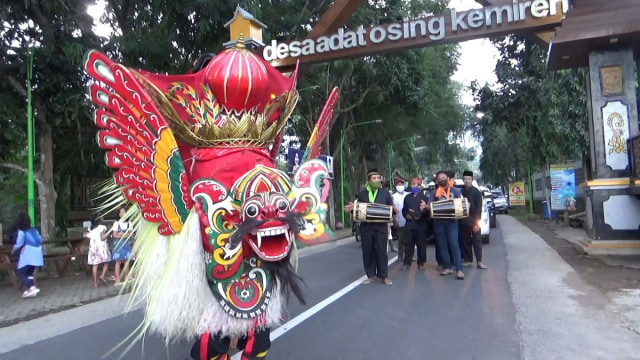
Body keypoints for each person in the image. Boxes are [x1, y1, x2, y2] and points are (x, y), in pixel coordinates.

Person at [345, 169, 395, 285]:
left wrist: (393, 213)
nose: (377, 180)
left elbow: (390, 208)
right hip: (366, 227)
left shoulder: (385, 193)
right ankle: (370, 275)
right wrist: (354, 208)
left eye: (378, 178)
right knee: (368, 251)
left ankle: (384, 276)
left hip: (381, 227)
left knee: (382, 251)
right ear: (369, 181)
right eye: (374, 178)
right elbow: (358, 211)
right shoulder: (363, 194)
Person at [422, 170, 464, 279]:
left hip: (452, 222)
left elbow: (460, 204)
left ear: (448, 178)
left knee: (454, 244)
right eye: (439, 178)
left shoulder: (456, 190)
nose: (441, 179)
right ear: (437, 181)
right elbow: (429, 206)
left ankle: (459, 269)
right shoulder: (434, 193)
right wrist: (424, 206)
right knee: (442, 245)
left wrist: (465, 205)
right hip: (439, 222)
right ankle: (447, 267)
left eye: (443, 177)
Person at [460, 171, 488, 269]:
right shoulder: (461, 192)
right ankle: (468, 260)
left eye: (469, 179)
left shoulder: (476, 192)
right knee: (465, 241)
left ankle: (479, 261)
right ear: (463, 179)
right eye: (465, 179)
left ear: (472, 180)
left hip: (474, 220)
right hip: (463, 221)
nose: (467, 181)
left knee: (477, 241)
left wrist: (477, 223)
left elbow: (479, 209)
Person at [11, 214, 44, 298]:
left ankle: (31, 287)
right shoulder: (34, 230)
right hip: (38, 255)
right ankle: (32, 290)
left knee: (20, 272)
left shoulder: (21, 231)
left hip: (29, 254)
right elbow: (40, 240)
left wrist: (13, 249)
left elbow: (19, 243)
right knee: (29, 272)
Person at [401, 178, 429, 270]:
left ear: (419, 186)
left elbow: (428, 213)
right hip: (409, 224)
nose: (412, 186)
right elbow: (404, 210)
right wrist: (406, 215)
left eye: (414, 184)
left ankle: (421, 263)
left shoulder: (425, 198)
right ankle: (407, 263)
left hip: (420, 225)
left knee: (421, 245)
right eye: (411, 184)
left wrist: (421, 214)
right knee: (408, 245)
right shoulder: (407, 197)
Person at [85, 217, 111, 287]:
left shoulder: (91, 228)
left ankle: (95, 282)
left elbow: (87, 235)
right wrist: (108, 234)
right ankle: (102, 275)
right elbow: (102, 238)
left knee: (95, 265)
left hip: (93, 247)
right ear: (100, 220)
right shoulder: (103, 227)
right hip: (101, 246)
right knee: (106, 261)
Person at [110, 207, 133, 285]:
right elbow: (115, 235)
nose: (121, 214)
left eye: (123, 212)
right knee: (118, 262)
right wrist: (125, 235)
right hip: (118, 245)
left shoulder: (130, 223)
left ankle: (126, 278)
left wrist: (122, 234)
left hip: (126, 244)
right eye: (120, 212)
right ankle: (117, 280)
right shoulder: (116, 223)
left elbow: (131, 235)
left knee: (126, 261)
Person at [392, 178, 408, 261]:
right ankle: (400, 256)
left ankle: (409, 256)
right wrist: (394, 221)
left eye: (401, 184)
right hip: (399, 220)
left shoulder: (408, 194)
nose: (400, 186)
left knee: (409, 240)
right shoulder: (393, 197)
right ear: (395, 186)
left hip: (409, 221)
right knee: (401, 239)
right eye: (398, 184)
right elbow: (392, 211)